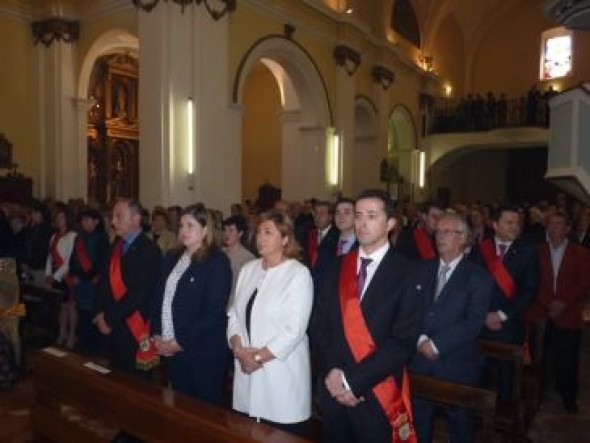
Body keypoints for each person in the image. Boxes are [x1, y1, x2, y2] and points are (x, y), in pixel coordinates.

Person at [313, 189, 421, 443]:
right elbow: (319, 323)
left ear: (391, 223)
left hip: (375, 394)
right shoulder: (337, 265)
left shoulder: (408, 272)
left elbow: (402, 342)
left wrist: (353, 382)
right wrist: (333, 374)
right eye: (358, 215)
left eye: (371, 216)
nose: (362, 223)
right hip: (332, 389)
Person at [227, 210, 313, 436]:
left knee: (279, 434)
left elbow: (293, 331)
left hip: (280, 374)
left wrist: (255, 358)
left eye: (268, 232)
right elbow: (234, 315)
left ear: (285, 239)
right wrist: (238, 349)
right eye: (258, 232)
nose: (260, 238)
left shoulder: (298, 274)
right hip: (246, 369)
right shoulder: (248, 269)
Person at [409, 213, 492, 442]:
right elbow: (408, 311)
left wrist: (436, 345)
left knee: (461, 428)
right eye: (438, 231)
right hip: (418, 362)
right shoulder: (419, 269)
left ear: (463, 238)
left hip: (457, 364)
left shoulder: (478, 277)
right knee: (418, 424)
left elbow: (473, 323)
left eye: (447, 232)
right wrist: (419, 340)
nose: (440, 237)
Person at [151, 203, 232, 404]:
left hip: (202, 351)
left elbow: (214, 312)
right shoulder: (172, 257)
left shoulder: (217, 261)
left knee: (204, 412)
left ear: (205, 230)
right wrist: (158, 333)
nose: (183, 231)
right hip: (171, 347)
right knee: (180, 405)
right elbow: (159, 298)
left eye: (190, 225)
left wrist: (180, 342)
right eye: (181, 225)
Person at [473, 204, 539, 402]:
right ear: (495, 224)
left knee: (507, 382)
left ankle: (505, 416)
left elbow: (529, 292)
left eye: (517, 223)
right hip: (481, 325)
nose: (515, 227)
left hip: (509, 326)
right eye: (509, 223)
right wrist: (484, 315)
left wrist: (501, 315)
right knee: (479, 379)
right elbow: (471, 288)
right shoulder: (479, 250)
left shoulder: (527, 252)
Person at [530, 212, 590, 413]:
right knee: (541, 357)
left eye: (559, 225)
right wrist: (549, 304)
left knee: (568, 357)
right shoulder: (538, 251)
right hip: (542, 312)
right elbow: (533, 281)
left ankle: (568, 396)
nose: (554, 229)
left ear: (567, 229)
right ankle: (538, 394)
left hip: (569, 312)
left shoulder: (580, 253)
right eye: (551, 225)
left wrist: (563, 302)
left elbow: (583, 283)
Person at [95, 199, 161, 378]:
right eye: (112, 217)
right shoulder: (114, 247)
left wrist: (109, 318)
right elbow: (104, 284)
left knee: (134, 386)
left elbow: (138, 294)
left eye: (119, 216)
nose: (113, 221)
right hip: (112, 326)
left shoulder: (149, 250)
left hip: (133, 329)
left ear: (136, 219)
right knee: (114, 379)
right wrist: (100, 313)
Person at [68, 209, 109, 354]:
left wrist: (84, 277)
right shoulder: (79, 238)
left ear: (96, 221)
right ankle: (83, 345)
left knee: (91, 314)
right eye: (83, 219)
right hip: (80, 284)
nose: (84, 222)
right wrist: (73, 274)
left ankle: (93, 349)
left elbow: (100, 264)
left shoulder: (102, 238)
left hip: (93, 284)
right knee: (81, 313)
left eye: (88, 219)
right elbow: (72, 260)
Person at [45, 206, 77, 348]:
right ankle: (62, 333)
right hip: (55, 277)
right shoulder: (54, 236)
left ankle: (71, 336)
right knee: (62, 307)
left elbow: (69, 260)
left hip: (67, 277)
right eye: (57, 218)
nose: (58, 220)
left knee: (71, 307)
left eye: (61, 218)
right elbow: (49, 257)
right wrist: (48, 274)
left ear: (68, 219)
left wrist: (56, 276)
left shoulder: (73, 236)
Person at [221, 215, 255, 306]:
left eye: (231, 230)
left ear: (240, 233)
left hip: (233, 304)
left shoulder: (247, 258)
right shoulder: (220, 253)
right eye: (225, 230)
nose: (226, 234)